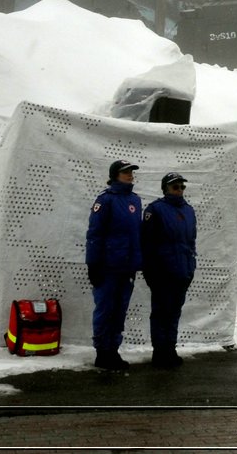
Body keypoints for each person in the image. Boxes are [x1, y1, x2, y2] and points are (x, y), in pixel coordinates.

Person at [86, 159, 143, 371]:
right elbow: (95, 234)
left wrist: (137, 263)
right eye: (125, 172)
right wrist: (93, 264)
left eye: (131, 172)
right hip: (108, 266)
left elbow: (137, 235)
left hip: (127, 267)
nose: (129, 175)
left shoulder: (135, 201)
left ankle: (113, 350)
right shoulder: (105, 200)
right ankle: (102, 352)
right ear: (115, 175)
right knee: (105, 308)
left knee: (120, 310)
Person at [140, 171, 197, 369]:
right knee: (160, 313)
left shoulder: (189, 210)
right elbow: (146, 244)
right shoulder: (155, 210)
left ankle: (170, 349)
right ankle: (160, 352)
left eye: (182, 187)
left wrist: (191, 268)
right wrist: (151, 271)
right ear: (165, 188)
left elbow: (191, 242)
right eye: (175, 187)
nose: (179, 190)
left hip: (182, 272)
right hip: (162, 272)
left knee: (174, 313)